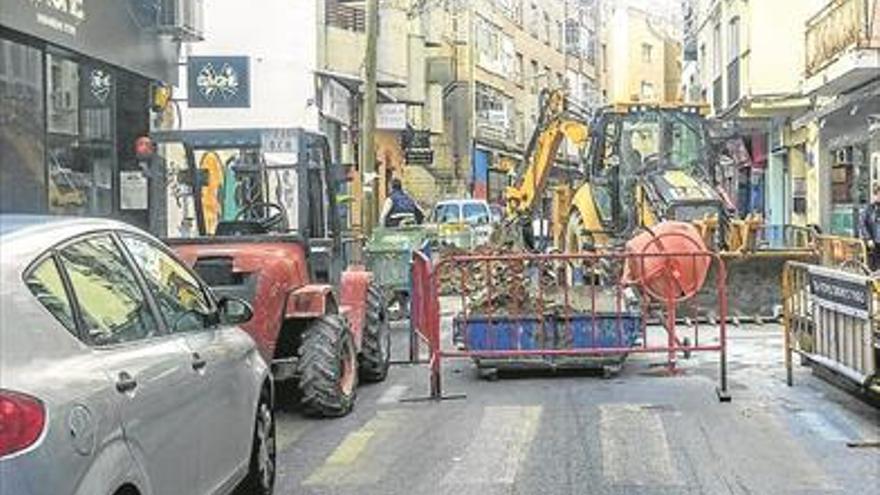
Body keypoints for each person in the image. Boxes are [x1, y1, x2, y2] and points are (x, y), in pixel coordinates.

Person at [861, 184, 880, 271]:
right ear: (875, 195)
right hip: (873, 242)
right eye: (878, 194)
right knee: (874, 265)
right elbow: (863, 224)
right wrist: (868, 239)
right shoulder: (869, 209)